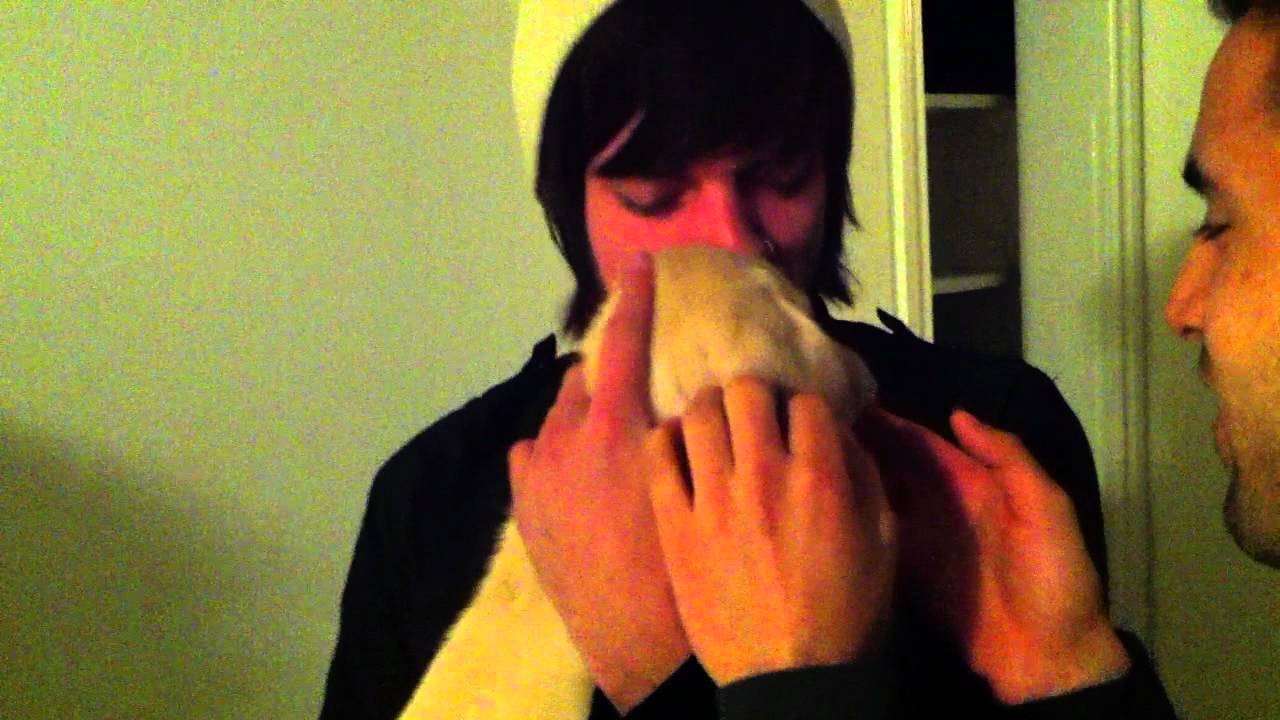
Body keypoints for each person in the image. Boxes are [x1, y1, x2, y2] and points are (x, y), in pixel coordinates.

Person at [318, 1, 1123, 717]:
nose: (732, 240)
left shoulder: (989, 448)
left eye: (782, 176)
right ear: (570, 204)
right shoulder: (432, 499)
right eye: (653, 196)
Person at [865, 0, 1280, 715]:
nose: (1180, 309)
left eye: (1219, 224)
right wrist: (1069, 669)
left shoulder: (1011, 409)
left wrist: (788, 690)